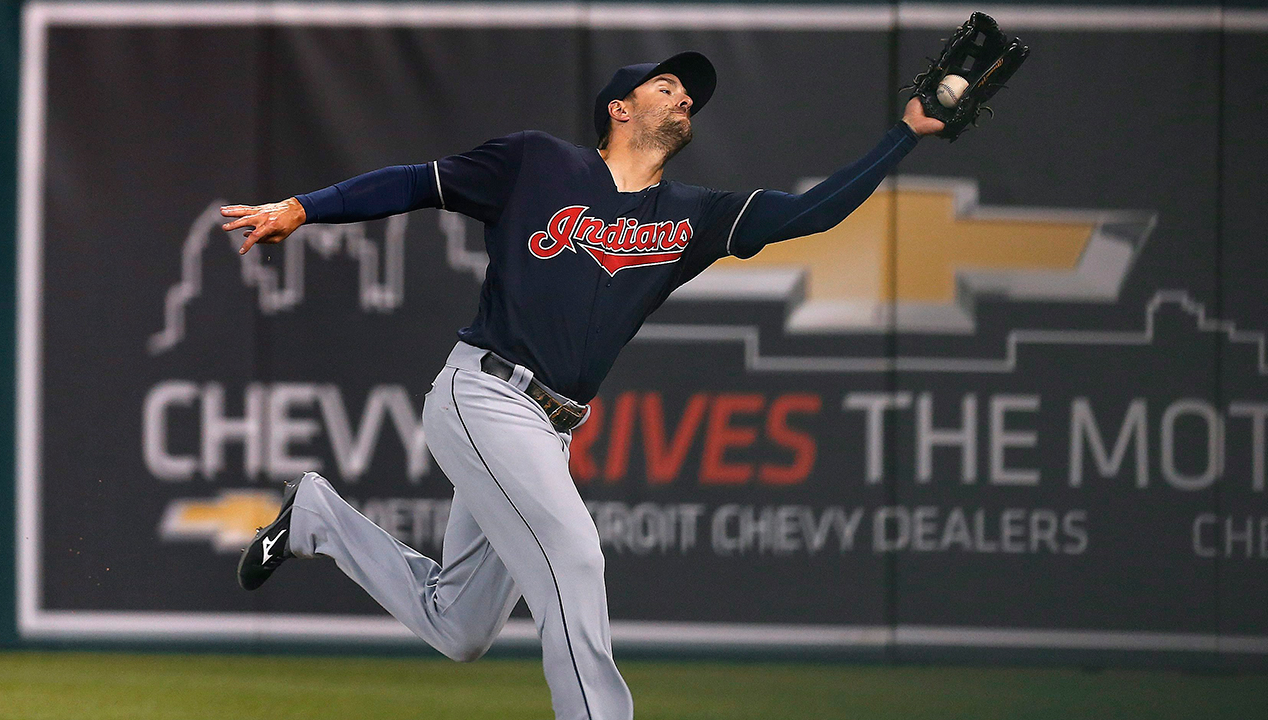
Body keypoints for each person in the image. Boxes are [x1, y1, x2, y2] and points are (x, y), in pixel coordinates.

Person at [223, 51, 944, 720]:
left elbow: (813, 212)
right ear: (619, 109)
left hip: (548, 428)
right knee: (574, 556)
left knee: (459, 626)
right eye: (666, 86)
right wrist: (304, 207)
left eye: (689, 96)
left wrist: (905, 134)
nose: (684, 98)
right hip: (485, 394)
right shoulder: (536, 163)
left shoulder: (693, 215)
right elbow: (419, 182)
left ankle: (316, 518)